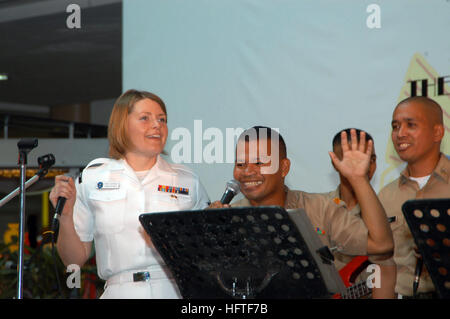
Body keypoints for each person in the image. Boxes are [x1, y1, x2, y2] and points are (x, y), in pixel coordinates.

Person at [49, 89, 210, 299]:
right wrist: (66, 216)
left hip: (173, 290)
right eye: (145, 118)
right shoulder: (93, 177)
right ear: (122, 125)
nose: (157, 125)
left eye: (162, 119)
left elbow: (207, 254)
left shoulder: (187, 180)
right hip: (120, 290)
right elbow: (74, 260)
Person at [209, 126, 394, 298]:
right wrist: (207, 233)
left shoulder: (321, 208)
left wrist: (358, 179)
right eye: (240, 164)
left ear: (284, 168)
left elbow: (381, 245)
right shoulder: (229, 219)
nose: (248, 171)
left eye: (259, 162)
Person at [378, 96, 449, 298]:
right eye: (395, 126)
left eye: (411, 125)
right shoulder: (386, 195)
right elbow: (382, 265)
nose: (400, 134)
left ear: (437, 132)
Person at [321, 128, 396, 299]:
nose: (364, 165)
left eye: (371, 159)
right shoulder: (321, 208)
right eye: (351, 159)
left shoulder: (388, 207)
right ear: (334, 161)